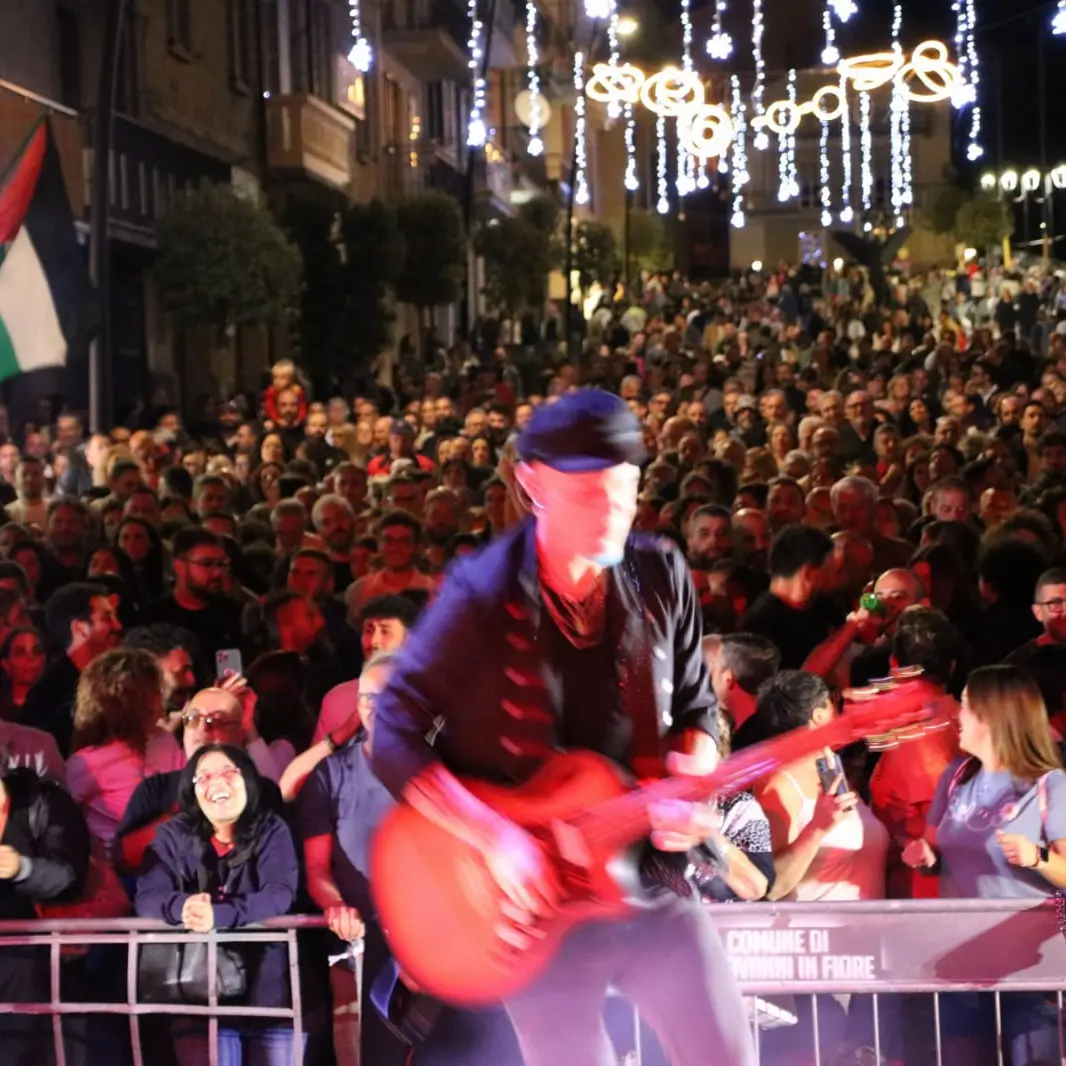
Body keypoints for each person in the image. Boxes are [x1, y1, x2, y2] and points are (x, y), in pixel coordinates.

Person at [371, 390, 757, 1066]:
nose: (609, 511)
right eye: (586, 493)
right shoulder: (479, 596)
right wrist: (489, 835)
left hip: (645, 877)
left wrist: (691, 776)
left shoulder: (660, 571)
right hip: (534, 907)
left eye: (624, 490)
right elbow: (393, 733)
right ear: (532, 483)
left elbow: (696, 706)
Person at [134, 744, 300, 1066]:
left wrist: (218, 915)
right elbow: (147, 897)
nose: (217, 782)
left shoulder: (271, 829)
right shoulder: (173, 834)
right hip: (199, 996)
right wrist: (183, 907)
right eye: (204, 777)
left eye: (228, 772)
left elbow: (279, 894)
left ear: (247, 779)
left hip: (267, 993)